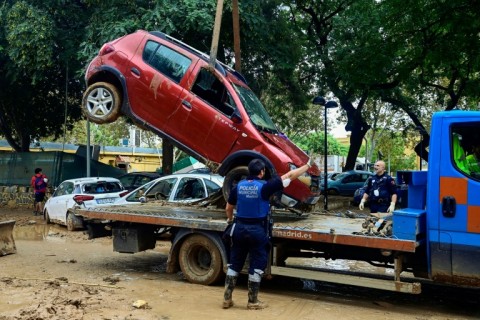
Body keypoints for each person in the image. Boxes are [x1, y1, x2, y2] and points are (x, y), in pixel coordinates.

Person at [222, 158, 314, 310]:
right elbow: (290, 176)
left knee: (235, 263)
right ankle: (252, 302)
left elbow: (228, 207)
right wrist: (308, 165)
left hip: (238, 229)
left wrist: (230, 220)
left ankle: (227, 299)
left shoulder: (238, 187)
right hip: (257, 231)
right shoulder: (265, 187)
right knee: (257, 264)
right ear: (262, 172)